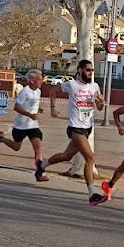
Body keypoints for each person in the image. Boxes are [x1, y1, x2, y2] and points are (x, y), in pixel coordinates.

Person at [35, 59, 107, 206]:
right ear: (80, 70)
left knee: (66, 156)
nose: (90, 73)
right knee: (90, 158)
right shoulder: (72, 85)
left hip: (87, 127)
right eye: (88, 70)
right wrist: (53, 107)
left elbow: (99, 107)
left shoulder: (94, 86)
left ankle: (41, 166)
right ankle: (92, 194)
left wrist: (101, 102)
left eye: (92, 71)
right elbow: (53, 90)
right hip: (75, 128)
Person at [0, 69, 48, 181]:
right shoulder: (25, 91)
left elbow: (32, 104)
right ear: (32, 81)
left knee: (38, 147)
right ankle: (1, 138)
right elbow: (16, 107)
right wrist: (29, 114)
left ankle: (40, 173)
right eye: (39, 80)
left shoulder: (38, 91)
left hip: (33, 126)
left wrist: (38, 109)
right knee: (16, 147)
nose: (41, 82)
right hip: (20, 125)